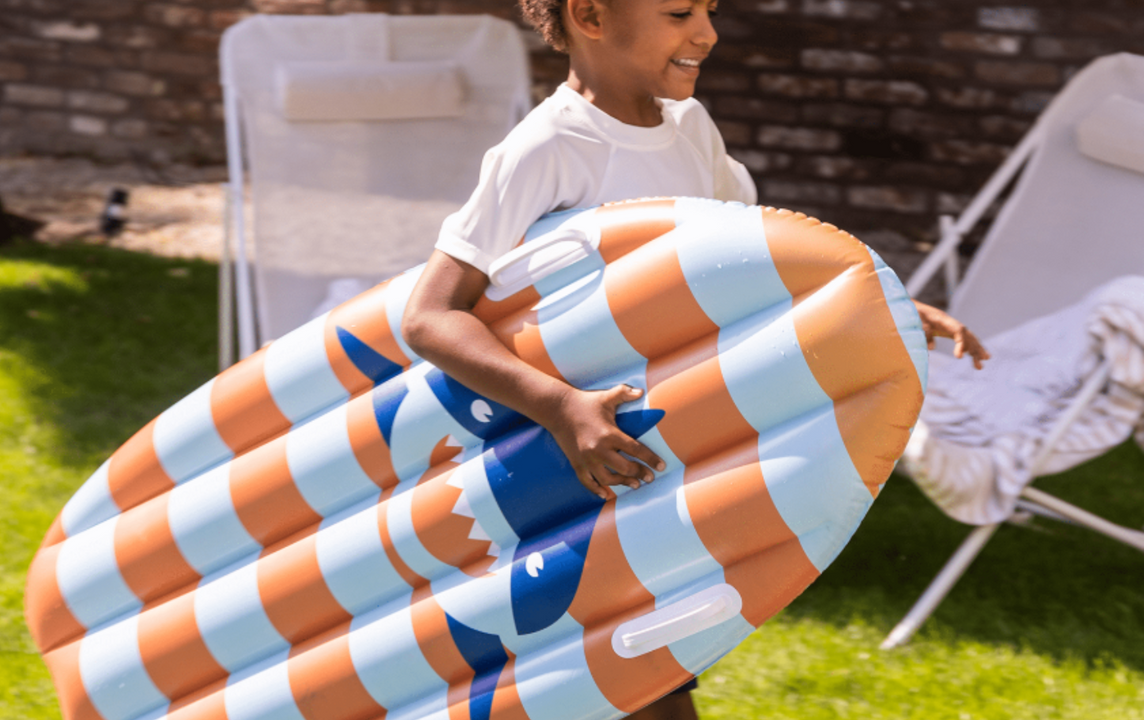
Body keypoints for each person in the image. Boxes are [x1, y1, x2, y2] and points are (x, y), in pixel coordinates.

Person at [402, 0, 988, 717]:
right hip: (565, 461)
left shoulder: (690, 127)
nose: (707, 33)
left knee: (645, 670)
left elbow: (750, 258)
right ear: (589, 16)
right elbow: (430, 316)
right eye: (679, 12)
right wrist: (559, 407)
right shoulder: (548, 147)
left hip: (665, 453)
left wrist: (879, 305)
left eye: (709, 8)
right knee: (620, 676)